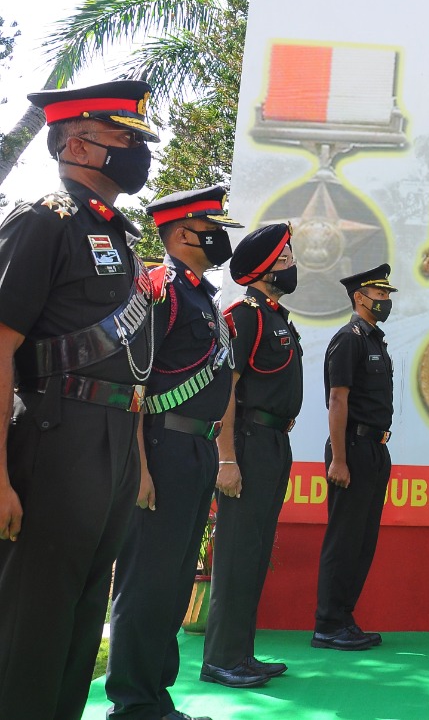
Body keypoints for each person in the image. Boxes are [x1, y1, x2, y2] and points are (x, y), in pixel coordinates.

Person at [0, 81, 157, 720]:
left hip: (112, 436)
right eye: (123, 138)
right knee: (33, 613)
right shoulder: (43, 221)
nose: (137, 152)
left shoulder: (118, 235)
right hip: (54, 431)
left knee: (85, 608)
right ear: (78, 144)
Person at [106, 187, 251, 720]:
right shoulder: (160, 289)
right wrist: (139, 466)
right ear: (184, 232)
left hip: (196, 448)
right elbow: (133, 379)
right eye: (212, 229)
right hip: (161, 447)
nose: (220, 239)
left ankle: (156, 698)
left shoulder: (202, 296)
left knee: (172, 581)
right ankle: (133, 704)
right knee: (147, 579)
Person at [201, 224, 303, 686]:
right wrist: (226, 458)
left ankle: (241, 654)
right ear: (262, 269)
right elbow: (227, 389)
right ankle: (221, 659)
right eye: (284, 259)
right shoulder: (244, 317)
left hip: (273, 442)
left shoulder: (276, 316)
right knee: (237, 552)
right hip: (246, 441)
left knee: (256, 552)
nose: (291, 265)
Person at [313, 263, 397, 651]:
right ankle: (328, 624)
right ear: (359, 298)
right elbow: (337, 399)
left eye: (387, 295)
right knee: (344, 539)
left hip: (375, 449)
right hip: (352, 448)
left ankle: (344, 618)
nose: (385, 301)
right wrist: (339, 459)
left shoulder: (375, 341)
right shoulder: (349, 339)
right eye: (379, 294)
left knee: (363, 541)